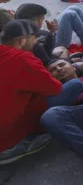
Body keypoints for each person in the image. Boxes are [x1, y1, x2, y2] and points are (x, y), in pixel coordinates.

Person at [0, 20, 72, 165]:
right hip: (6, 137)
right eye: (34, 41)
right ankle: (17, 146)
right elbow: (54, 88)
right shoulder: (23, 59)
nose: (35, 44)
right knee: (75, 85)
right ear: (21, 41)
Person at [16, 2, 83, 52]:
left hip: (50, 39)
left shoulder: (22, 28)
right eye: (41, 20)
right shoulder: (27, 40)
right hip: (55, 48)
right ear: (34, 22)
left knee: (72, 8)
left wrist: (52, 31)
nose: (42, 22)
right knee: (70, 14)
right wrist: (52, 33)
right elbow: (47, 52)